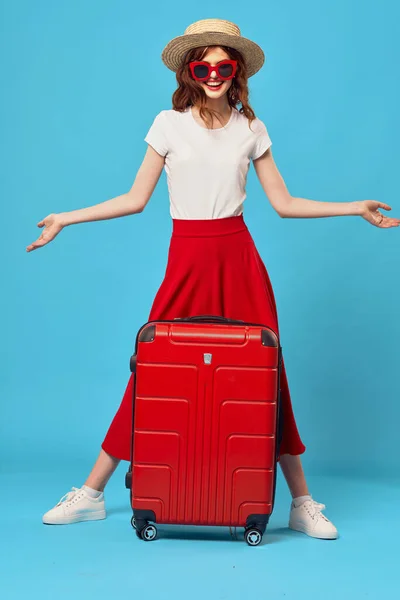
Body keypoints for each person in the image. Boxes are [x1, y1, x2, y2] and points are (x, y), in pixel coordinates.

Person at [27, 18, 399, 539]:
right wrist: (66, 217)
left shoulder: (253, 129)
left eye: (225, 66)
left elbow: (285, 204)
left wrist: (353, 208)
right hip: (187, 258)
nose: (214, 75)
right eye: (203, 66)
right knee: (153, 371)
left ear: (237, 70)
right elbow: (135, 200)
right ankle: (91, 493)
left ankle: (302, 502)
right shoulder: (167, 124)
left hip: (239, 260)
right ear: (190, 72)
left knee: (268, 373)